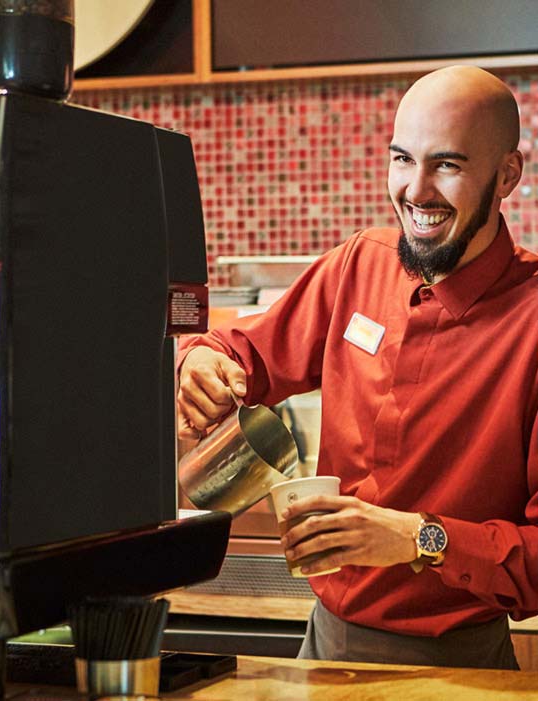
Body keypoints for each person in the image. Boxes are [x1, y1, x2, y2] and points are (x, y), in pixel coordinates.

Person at [176, 65, 538, 670]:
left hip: (463, 665)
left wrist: (417, 538)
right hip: (324, 643)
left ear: (506, 175)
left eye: (446, 165)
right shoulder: (357, 265)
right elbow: (237, 349)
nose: (415, 191)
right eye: (402, 159)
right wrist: (202, 361)